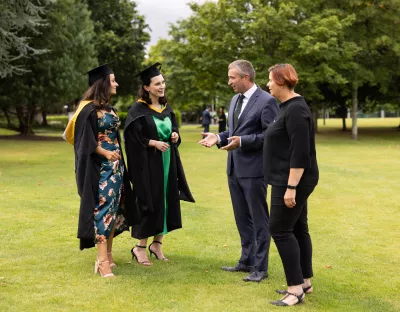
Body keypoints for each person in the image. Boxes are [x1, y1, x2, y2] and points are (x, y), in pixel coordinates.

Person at [199, 60, 279, 282]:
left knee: (259, 219)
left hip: (255, 171)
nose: (229, 82)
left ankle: (261, 267)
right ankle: (246, 261)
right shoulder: (234, 100)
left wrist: (242, 142)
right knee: (242, 218)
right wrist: (218, 137)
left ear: (246, 77)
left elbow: (270, 136)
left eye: (232, 77)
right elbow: (232, 131)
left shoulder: (267, 101)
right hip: (233, 169)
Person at [64, 63, 137, 278]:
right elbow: (83, 141)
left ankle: (109, 255)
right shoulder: (87, 110)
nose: (116, 84)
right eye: (112, 80)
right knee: (102, 212)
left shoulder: (110, 109)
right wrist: (105, 153)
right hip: (100, 169)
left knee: (114, 211)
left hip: (116, 167)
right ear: (103, 84)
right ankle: (102, 261)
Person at [124, 62, 195, 266]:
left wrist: (174, 136)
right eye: (157, 83)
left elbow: (174, 130)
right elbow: (132, 140)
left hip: (167, 162)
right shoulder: (137, 110)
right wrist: (152, 142)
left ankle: (157, 244)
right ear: (147, 87)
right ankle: (139, 247)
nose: (161, 86)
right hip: (148, 165)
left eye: (163, 82)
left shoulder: (167, 108)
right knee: (149, 201)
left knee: (166, 200)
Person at [263, 64, 319, 306]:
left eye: (270, 81)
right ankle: (304, 282)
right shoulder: (287, 107)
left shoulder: (296, 109)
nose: (267, 85)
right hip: (285, 178)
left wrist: (291, 187)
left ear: (282, 81)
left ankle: (295, 290)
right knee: (297, 228)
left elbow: (300, 153)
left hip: (292, 180)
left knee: (280, 229)